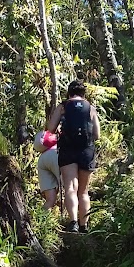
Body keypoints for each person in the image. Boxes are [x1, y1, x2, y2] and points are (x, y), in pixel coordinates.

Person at [47, 79, 100, 233]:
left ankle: (74, 223)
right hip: (86, 150)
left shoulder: (63, 106)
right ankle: (84, 226)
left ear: (69, 92)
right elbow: (97, 134)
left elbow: (50, 129)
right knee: (83, 191)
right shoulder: (91, 108)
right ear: (84, 94)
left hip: (67, 149)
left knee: (70, 187)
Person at [34, 128, 60, 209]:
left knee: (50, 200)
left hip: (43, 160)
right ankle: (72, 219)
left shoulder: (43, 133)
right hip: (56, 154)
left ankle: (41, 219)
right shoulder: (61, 131)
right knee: (70, 190)